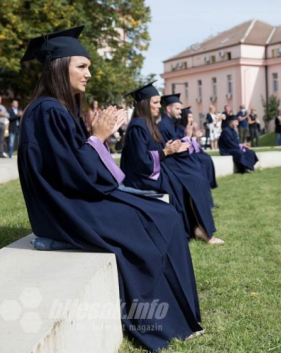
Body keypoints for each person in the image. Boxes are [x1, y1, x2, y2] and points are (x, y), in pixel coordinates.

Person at [17, 26, 204, 350]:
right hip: (64, 209)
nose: (89, 73)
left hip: (71, 200)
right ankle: (161, 322)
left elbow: (76, 168)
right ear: (59, 67)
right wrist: (98, 137)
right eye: (82, 66)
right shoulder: (48, 111)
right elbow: (74, 175)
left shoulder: (54, 108)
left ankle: (180, 317)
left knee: (162, 211)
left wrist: (93, 140)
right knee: (157, 220)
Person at [158, 93, 223, 244]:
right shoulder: (164, 126)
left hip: (176, 161)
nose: (180, 112)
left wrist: (186, 140)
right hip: (170, 164)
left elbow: (180, 146)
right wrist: (185, 142)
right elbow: (172, 149)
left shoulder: (170, 124)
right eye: (177, 108)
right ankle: (205, 233)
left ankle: (201, 229)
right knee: (195, 180)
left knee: (199, 175)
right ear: (168, 108)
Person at [179, 106, 218, 190]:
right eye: (189, 117)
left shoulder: (190, 127)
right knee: (204, 160)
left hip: (194, 151)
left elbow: (195, 145)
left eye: (192, 117)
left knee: (207, 158)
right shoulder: (181, 128)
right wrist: (194, 137)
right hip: (187, 154)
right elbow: (186, 143)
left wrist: (196, 136)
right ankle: (206, 183)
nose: (191, 119)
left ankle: (209, 183)